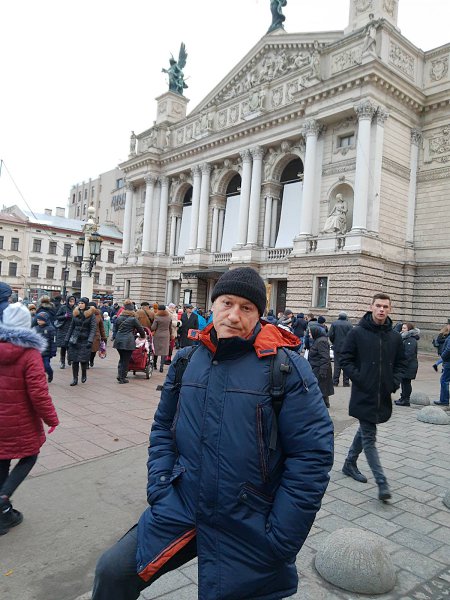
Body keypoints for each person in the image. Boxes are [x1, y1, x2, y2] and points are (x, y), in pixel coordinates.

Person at [92, 267, 334, 600]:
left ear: (259, 315)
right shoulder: (187, 360)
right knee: (112, 572)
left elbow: (311, 456)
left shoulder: (287, 368)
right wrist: (160, 486)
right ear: (213, 305)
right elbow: (163, 428)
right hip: (183, 504)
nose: (234, 315)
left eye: (246, 308)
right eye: (227, 303)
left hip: (249, 517)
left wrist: (281, 537)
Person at [340, 293, 407, 501]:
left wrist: (393, 382)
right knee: (369, 437)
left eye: (385, 306)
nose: (381, 309)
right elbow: (345, 359)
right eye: (378, 305)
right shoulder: (357, 332)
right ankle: (382, 482)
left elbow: (401, 363)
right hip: (363, 394)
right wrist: (361, 378)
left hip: (383, 395)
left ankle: (349, 463)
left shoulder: (395, 337)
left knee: (365, 428)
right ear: (371, 307)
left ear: (390, 309)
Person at [0, 303, 59, 535]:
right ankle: (3, 499)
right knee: (30, 455)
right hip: (19, 420)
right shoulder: (29, 353)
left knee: (2, 458)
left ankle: (3, 513)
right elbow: (38, 393)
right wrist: (51, 419)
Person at [64, 297, 97, 386]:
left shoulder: (91, 315)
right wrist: (67, 339)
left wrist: (90, 340)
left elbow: (93, 329)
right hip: (75, 340)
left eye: (82, 303)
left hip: (85, 340)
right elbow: (71, 327)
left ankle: (84, 374)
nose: (80, 305)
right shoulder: (75, 313)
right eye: (79, 303)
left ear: (86, 304)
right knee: (74, 360)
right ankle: (75, 378)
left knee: (83, 360)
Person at [113, 301, 145, 384]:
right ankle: (122, 377)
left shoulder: (119, 317)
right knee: (126, 360)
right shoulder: (133, 319)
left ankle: (120, 375)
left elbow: (115, 328)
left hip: (119, 340)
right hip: (128, 341)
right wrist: (143, 336)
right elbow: (140, 329)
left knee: (121, 358)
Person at [307, 324, 334, 408]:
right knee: (321, 388)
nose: (309, 334)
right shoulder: (318, 340)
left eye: (310, 333)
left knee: (321, 388)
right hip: (317, 367)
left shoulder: (321, 341)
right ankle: (323, 404)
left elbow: (325, 357)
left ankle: (322, 405)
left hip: (320, 368)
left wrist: (323, 371)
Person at [395, 322, 420, 407]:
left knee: (406, 383)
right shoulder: (404, 338)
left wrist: (401, 362)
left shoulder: (411, 340)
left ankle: (406, 400)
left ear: (409, 330)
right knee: (404, 382)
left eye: (405, 328)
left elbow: (409, 354)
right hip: (406, 365)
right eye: (402, 328)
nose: (403, 330)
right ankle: (403, 398)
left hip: (409, 365)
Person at [329, 311, 353, 387]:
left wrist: (334, 342)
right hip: (347, 348)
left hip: (337, 347)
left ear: (339, 316)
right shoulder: (349, 324)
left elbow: (330, 335)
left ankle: (335, 382)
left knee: (337, 365)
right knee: (346, 364)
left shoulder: (334, 323)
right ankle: (346, 382)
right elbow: (352, 336)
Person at [32, 312, 57, 383]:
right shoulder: (35, 328)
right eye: (38, 320)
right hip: (37, 352)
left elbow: (53, 341)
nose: (39, 321)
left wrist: (53, 351)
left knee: (46, 365)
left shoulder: (51, 329)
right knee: (38, 367)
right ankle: (41, 379)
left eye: (41, 320)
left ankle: (50, 373)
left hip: (46, 352)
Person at [54, 295, 76, 369]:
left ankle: (69, 359)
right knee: (63, 346)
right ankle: (62, 362)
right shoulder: (63, 307)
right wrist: (64, 316)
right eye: (70, 301)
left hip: (72, 329)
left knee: (70, 346)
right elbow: (57, 317)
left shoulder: (76, 308)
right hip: (63, 329)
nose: (71, 303)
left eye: (73, 301)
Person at [151, 304, 173, 373]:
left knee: (156, 350)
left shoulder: (157, 317)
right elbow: (170, 328)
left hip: (158, 335)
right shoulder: (169, 317)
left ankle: (155, 365)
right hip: (166, 335)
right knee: (164, 351)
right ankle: (161, 367)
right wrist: (170, 334)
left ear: (158, 309)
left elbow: (153, 327)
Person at [433, 324, 450, 406]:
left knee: (444, 381)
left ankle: (444, 400)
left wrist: (443, 356)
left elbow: (448, 349)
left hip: (448, 362)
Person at [88, 302, 107, 368]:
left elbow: (101, 327)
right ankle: (86, 362)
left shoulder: (98, 315)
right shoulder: (86, 314)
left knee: (93, 351)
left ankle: (91, 360)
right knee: (87, 350)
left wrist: (103, 337)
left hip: (96, 335)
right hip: (87, 334)